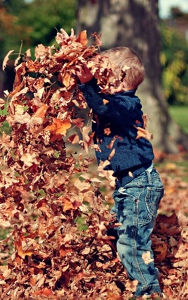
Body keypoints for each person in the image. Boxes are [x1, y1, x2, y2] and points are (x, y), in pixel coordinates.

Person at [76, 47, 164, 297]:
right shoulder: (113, 102)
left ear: (118, 79)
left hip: (140, 186)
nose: (98, 81)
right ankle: (129, 272)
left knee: (132, 244)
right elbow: (96, 102)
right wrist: (82, 83)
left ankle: (148, 290)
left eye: (103, 76)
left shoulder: (127, 105)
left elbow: (104, 108)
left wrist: (88, 85)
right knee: (114, 231)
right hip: (129, 186)